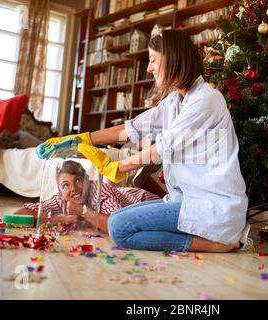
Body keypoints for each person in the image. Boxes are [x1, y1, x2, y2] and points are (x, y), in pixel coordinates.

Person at [38, 30, 251, 252]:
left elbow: (162, 148)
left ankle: (217, 244)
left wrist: (118, 166)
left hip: (212, 207)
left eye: (152, 60)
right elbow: (132, 129)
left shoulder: (206, 100)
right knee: (116, 220)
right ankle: (211, 238)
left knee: (118, 227)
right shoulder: (175, 102)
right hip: (185, 203)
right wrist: (79, 138)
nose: (149, 67)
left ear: (172, 58)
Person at [15, 160, 159, 232]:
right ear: (59, 191)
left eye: (78, 180)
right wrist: (59, 218)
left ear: (87, 181)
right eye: (65, 185)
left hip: (147, 203)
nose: (73, 189)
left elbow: (117, 225)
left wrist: (82, 211)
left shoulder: (100, 192)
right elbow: (20, 213)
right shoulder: (61, 199)